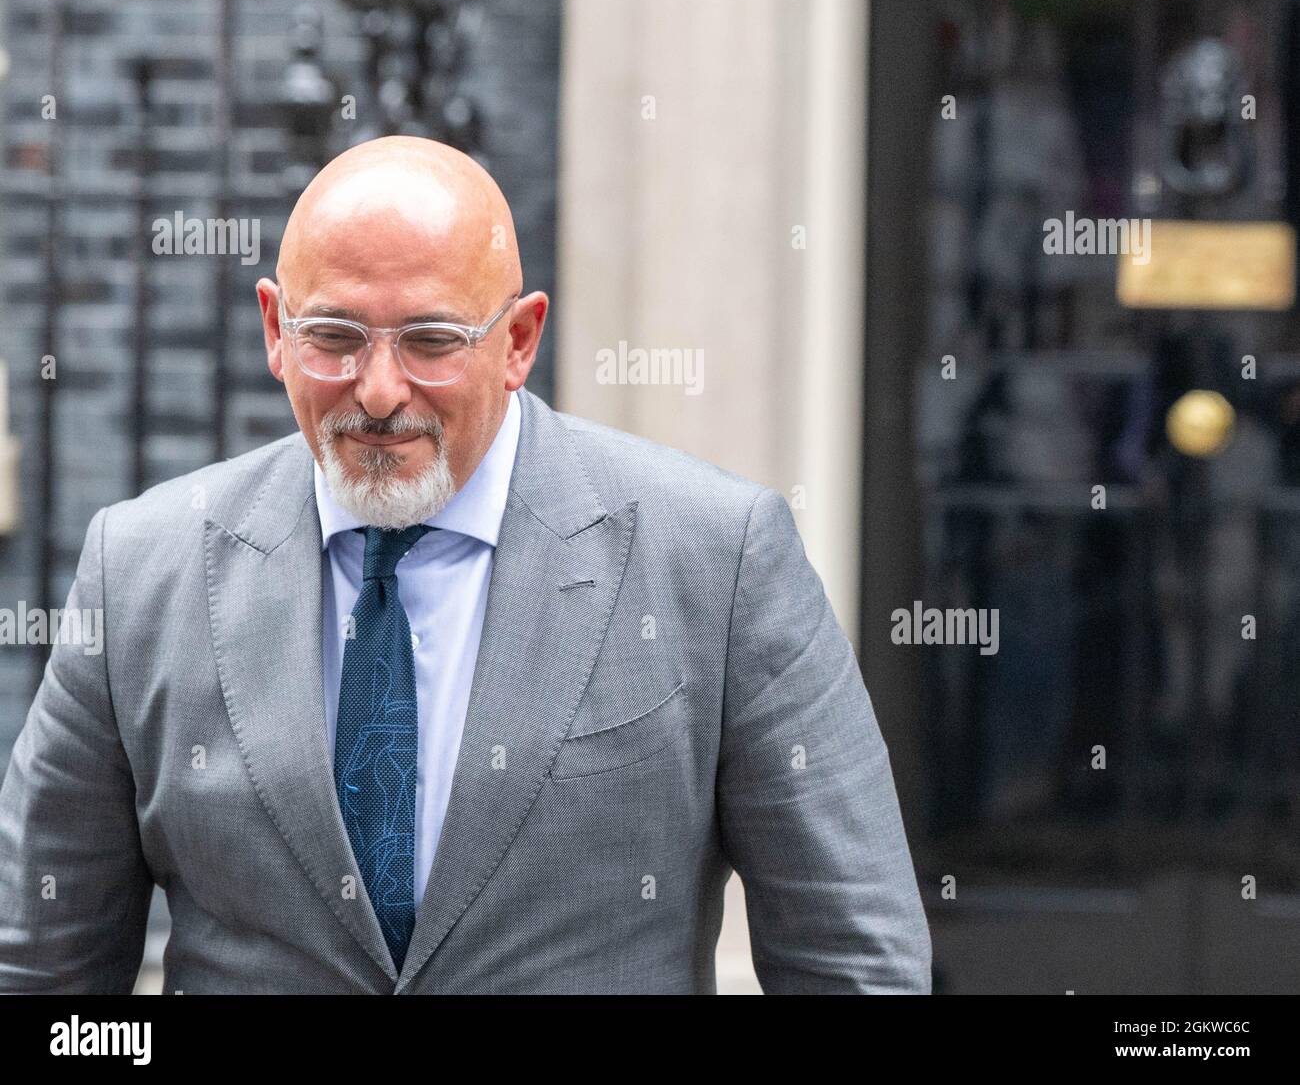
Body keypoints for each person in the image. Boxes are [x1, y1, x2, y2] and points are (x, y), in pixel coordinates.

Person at [0, 136, 931, 993]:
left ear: (519, 341)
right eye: (334, 337)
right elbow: (41, 971)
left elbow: (853, 961)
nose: (378, 389)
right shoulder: (141, 572)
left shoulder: (716, 560)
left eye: (432, 341)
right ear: (275, 329)